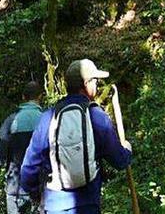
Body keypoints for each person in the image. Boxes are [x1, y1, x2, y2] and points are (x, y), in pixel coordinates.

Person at [20, 59, 132, 214]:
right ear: (86, 84)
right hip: (87, 206)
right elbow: (119, 160)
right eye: (95, 81)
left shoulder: (48, 117)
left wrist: (37, 194)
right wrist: (127, 150)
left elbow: (28, 170)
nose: (97, 85)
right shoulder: (96, 116)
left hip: (54, 206)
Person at [0, 81, 44, 214]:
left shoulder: (11, 120)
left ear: (23, 97)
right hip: (41, 187)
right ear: (40, 96)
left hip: (16, 187)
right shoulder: (46, 120)